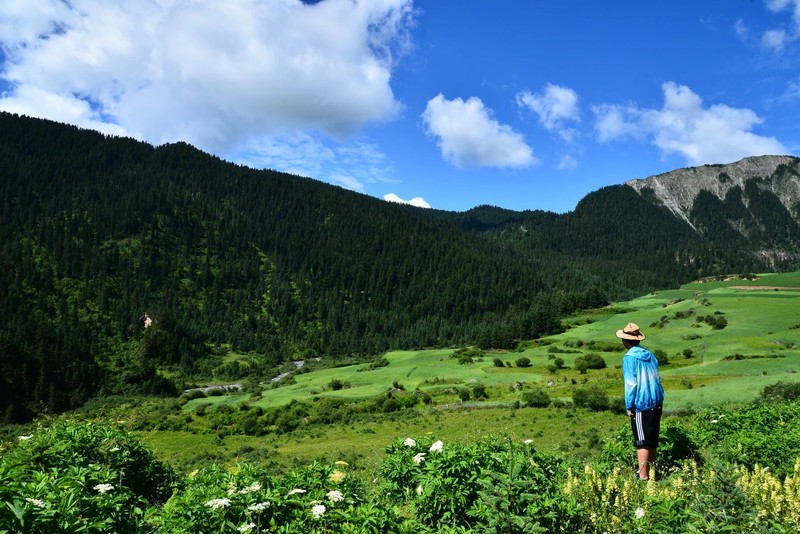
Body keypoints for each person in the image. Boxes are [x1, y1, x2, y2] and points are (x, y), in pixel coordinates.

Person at [616, 322, 664, 481]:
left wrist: (629, 405)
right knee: (652, 440)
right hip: (656, 400)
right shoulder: (650, 354)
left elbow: (631, 384)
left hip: (641, 403)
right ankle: (651, 473)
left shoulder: (629, 358)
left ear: (625, 340)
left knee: (642, 441)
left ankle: (643, 477)